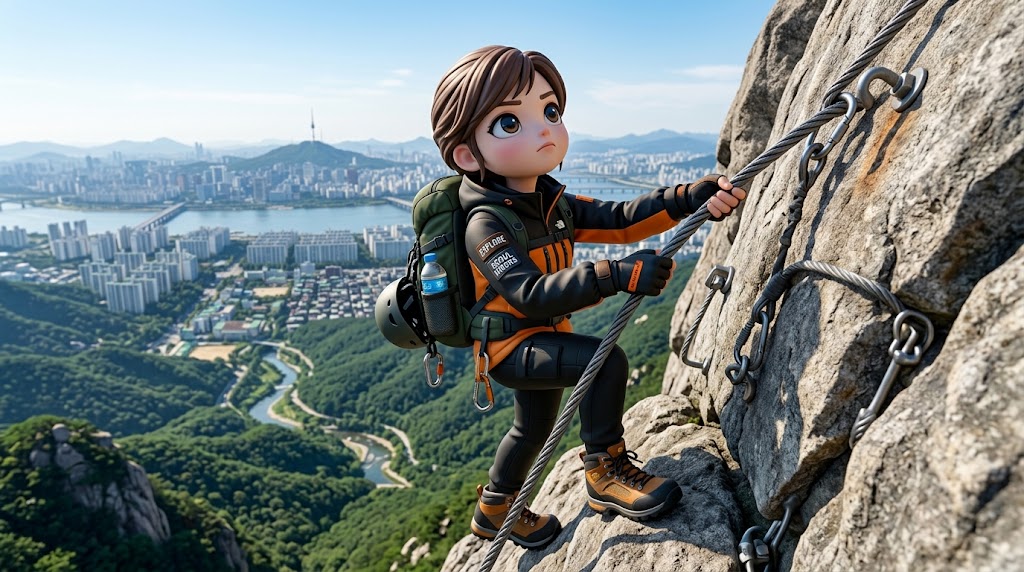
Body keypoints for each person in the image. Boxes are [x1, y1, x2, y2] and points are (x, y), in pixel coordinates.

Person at [430, 45, 745, 549]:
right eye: (509, 122)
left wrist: (690, 196)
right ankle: (605, 470)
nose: (544, 129)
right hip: (510, 347)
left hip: (544, 336)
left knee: (530, 430)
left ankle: (495, 508)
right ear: (467, 154)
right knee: (603, 362)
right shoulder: (484, 223)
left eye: (550, 111)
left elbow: (620, 219)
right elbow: (528, 294)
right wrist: (614, 275)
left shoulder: (548, 201)